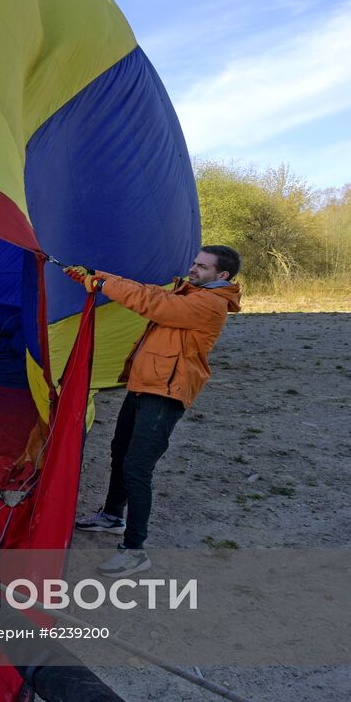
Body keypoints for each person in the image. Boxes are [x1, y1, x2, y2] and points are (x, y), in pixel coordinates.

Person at [65, 246, 242, 577]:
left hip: (165, 393)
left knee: (137, 468)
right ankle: (113, 516)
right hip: (144, 385)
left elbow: (153, 304)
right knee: (120, 453)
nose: (193, 269)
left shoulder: (209, 304)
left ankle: (134, 550)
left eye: (202, 267)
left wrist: (101, 287)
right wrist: (98, 274)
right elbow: (147, 291)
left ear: (222, 276)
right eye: (194, 262)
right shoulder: (190, 292)